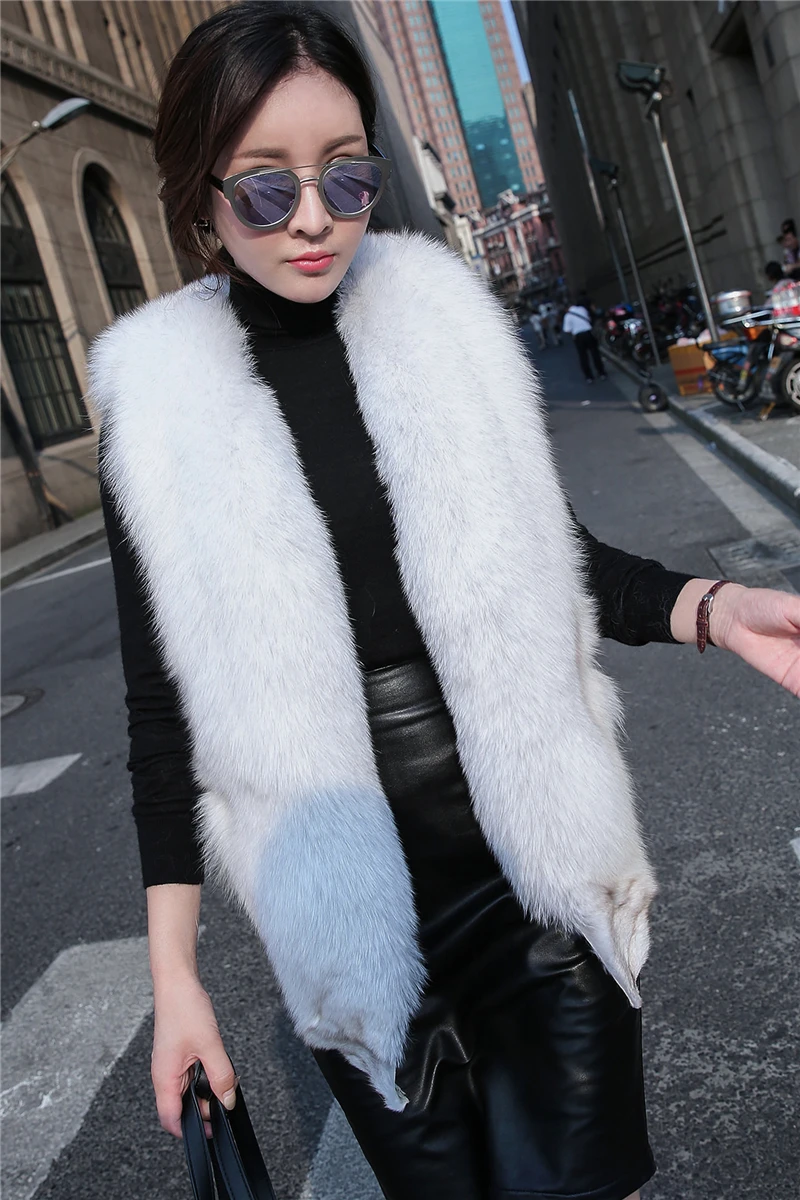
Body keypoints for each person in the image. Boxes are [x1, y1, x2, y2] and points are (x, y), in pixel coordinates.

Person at [91, 6, 800, 1199]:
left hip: (530, 878)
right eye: (264, 186)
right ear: (198, 196)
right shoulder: (154, 406)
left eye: (346, 175)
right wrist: (177, 982)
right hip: (345, 916)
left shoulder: (439, 322)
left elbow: (557, 560)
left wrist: (711, 607)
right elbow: (164, 721)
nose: (313, 218)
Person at [563, 293, 607, 383]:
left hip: (578, 336)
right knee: (595, 353)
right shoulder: (582, 309)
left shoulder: (567, 316)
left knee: (583, 357)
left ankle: (589, 377)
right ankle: (601, 373)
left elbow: (567, 330)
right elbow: (589, 318)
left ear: (566, 308)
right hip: (588, 333)